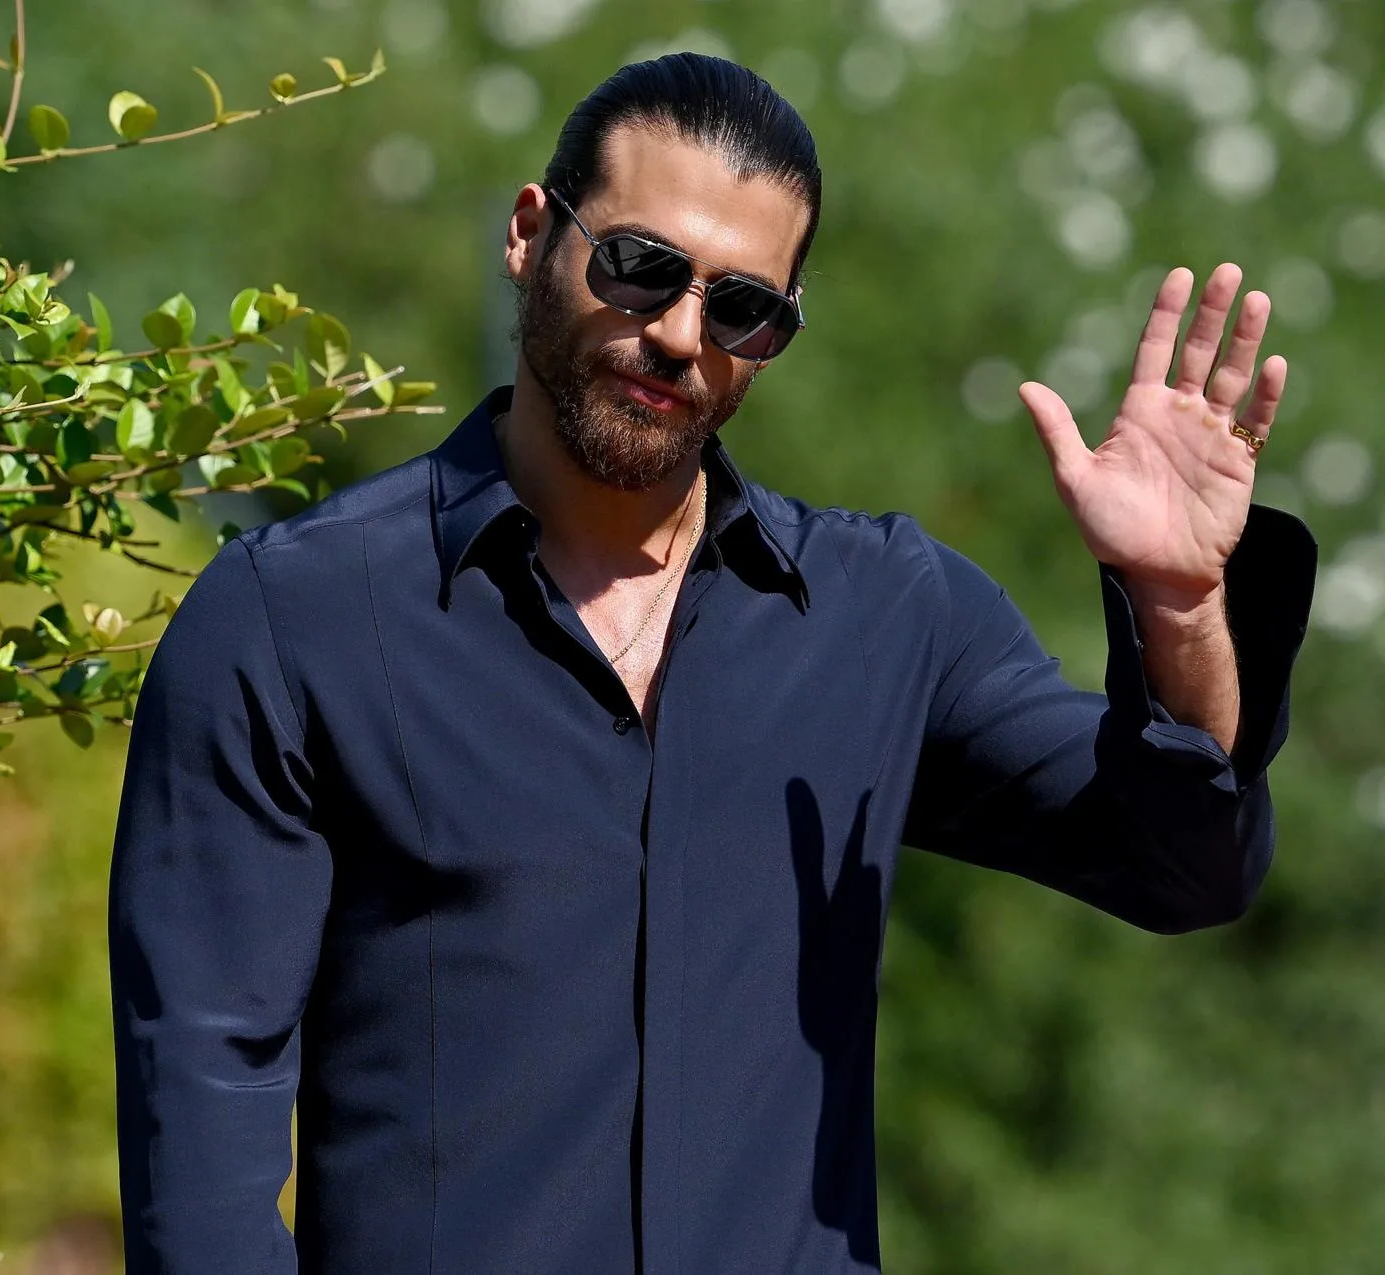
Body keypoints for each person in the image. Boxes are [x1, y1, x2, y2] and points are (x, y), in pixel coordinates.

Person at [108, 54, 1315, 1275]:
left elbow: (1186, 865)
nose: (681, 335)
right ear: (531, 235)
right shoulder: (292, 620)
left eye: (744, 309)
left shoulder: (887, 614)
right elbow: (200, 1155)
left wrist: (1178, 607)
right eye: (640, 267)